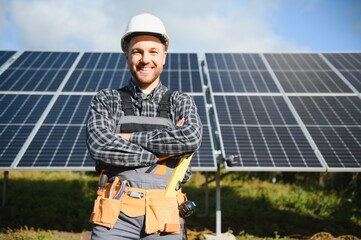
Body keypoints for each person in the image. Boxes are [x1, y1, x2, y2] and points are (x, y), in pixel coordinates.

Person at [86, 13, 203, 240]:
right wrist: (163, 156)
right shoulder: (107, 99)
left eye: (153, 51)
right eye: (137, 51)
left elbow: (190, 138)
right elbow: (99, 145)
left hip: (166, 213)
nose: (145, 59)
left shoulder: (180, 101)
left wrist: (129, 138)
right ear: (127, 56)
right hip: (114, 215)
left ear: (164, 57)